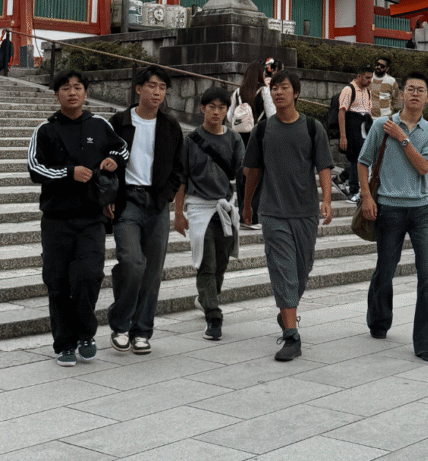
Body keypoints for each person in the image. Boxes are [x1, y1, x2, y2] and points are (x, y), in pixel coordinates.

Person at [27, 70, 128, 366]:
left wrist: (114, 161)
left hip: (91, 218)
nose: (72, 92)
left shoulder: (99, 124)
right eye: (66, 88)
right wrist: (68, 173)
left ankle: (86, 333)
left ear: (85, 93)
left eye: (78, 87)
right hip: (56, 220)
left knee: (89, 276)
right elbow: (35, 169)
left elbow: (122, 148)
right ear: (56, 93)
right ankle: (64, 344)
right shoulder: (45, 130)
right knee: (57, 283)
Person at [242, 69, 333, 361]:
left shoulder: (312, 128)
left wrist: (327, 201)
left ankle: (287, 312)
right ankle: (292, 336)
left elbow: (324, 167)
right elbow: (252, 171)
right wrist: (246, 205)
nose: (278, 92)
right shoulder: (262, 130)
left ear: (296, 93)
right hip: (272, 211)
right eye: (274, 88)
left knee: (301, 271)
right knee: (283, 271)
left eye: (284, 88)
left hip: (305, 212)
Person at [359, 71, 428, 362]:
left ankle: (425, 339)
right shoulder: (381, 125)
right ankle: (379, 319)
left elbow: (423, 168)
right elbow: (363, 161)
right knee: (386, 267)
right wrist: (367, 197)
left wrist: (403, 138)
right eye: (410, 89)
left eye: (421, 89)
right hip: (388, 208)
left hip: (420, 209)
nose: (415, 93)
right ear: (401, 95)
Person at [107, 65, 185, 355]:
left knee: (152, 271)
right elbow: (105, 160)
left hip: (156, 204)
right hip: (127, 201)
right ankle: (120, 323)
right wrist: (109, 196)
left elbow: (179, 168)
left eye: (162, 88)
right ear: (138, 89)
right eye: (151, 86)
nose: (156, 92)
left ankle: (141, 331)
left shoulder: (170, 126)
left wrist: (165, 196)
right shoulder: (119, 122)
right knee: (132, 262)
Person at [174, 87, 244, 341]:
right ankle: (213, 316)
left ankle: (206, 297)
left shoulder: (234, 139)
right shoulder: (190, 141)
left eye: (222, 107)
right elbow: (181, 178)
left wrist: (246, 207)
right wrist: (178, 213)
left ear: (227, 111)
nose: (216, 112)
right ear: (202, 108)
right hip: (198, 208)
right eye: (211, 106)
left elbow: (242, 172)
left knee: (221, 263)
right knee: (207, 262)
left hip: (224, 206)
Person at [229, 59, 273, 228]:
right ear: (260, 74)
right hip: (259, 137)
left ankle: (243, 214)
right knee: (258, 175)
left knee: (242, 174)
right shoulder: (264, 91)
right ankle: (253, 216)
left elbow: (229, 117)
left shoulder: (237, 93)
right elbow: (272, 115)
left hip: (241, 138)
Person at [336, 67, 373, 201]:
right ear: (359, 76)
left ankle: (342, 177)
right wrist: (343, 136)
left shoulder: (367, 91)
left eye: (370, 78)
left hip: (364, 126)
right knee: (356, 158)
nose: (369, 81)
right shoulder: (348, 90)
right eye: (367, 78)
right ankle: (353, 190)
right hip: (352, 125)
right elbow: (341, 112)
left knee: (362, 158)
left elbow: (369, 111)